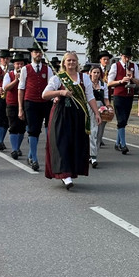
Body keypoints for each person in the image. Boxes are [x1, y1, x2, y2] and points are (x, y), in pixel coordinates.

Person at [42, 51, 99, 190]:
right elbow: (45, 95)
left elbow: (90, 97)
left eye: (74, 60)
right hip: (61, 114)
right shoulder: (58, 78)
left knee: (75, 143)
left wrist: (97, 113)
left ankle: (70, 171)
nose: (71, 63)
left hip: (78, 115)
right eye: (69, 61)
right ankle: (64, 174)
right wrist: (60, 92)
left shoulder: (84, 78)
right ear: (64, 63)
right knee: (61, 143)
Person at [17, 43, 53, 172]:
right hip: (30, 102)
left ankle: (31, 154)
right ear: (31, 54)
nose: (38, 54)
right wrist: (20, 108)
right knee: (33, 130)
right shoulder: (25, 69)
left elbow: (51, 86)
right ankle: (35, 158)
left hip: (45, 102)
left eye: (40, 52)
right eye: (35, 52)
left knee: (48, 128)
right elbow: (21, 88)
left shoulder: (47, 69)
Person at [106, 48, 139, 154]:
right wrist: (121, 81)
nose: (127, 59)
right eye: (125, 57)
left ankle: (117, 143)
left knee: (124, 120)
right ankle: (124, 145)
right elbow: (109, 82)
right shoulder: (115, 66)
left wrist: (132, 78)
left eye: (129, 57)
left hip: (129, 95)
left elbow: (138, 82)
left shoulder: (134, 66)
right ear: (121, 56)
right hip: (119, 95)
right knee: (121, 119)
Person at [2, 51, 27, 159]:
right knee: (13, 126)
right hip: (12, 103)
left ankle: (17, 147)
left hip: (24, 103)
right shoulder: (9, 74)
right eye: (17, 64)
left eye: (21, 64)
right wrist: (16, 80)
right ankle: (14, 149)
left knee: (22, 127)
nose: (19, 66)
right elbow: (5, 88)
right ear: (14, 65)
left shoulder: (27, 74)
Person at [88, 65, 109, 168]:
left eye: (98, 73)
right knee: (92, 132)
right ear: (90, 73)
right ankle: (92, 155)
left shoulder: (103, 85)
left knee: (99, 133)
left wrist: (109, 107)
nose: (96, 74)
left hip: (101, 108)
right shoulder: (87, 84)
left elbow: (106, 99)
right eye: (94, 72)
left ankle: (94, 154)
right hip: (90, 107)